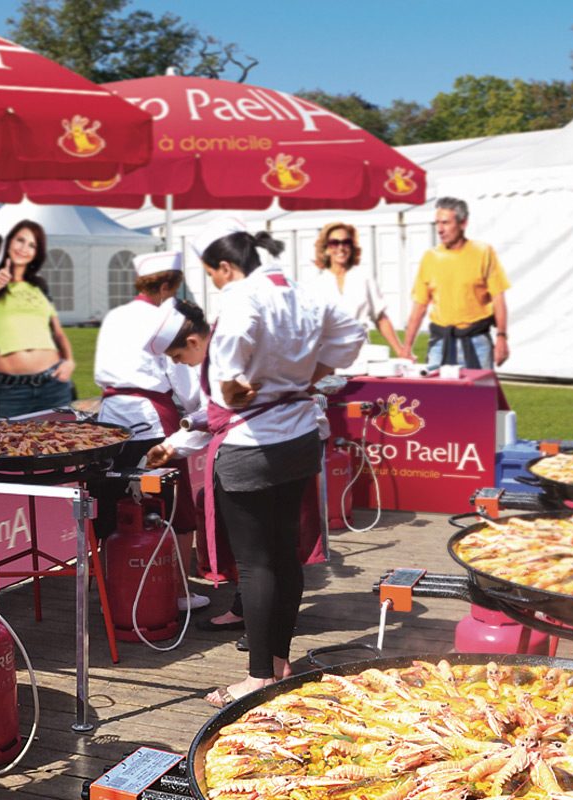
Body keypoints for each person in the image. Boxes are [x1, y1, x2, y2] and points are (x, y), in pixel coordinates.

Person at [147, 218, 365, 708]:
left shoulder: (243, 298)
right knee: (284, 557)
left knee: (257, 565)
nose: (217, 285)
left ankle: (259, 676)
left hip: (254, 449)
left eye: (215, 275)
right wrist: (314, 374)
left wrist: (229, 380)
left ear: (226, 266)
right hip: (299, 440)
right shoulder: (301, 290)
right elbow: (352, 331)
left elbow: (231, 389)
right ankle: (279, 663)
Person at [92, 251, 206, 611]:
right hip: (153, 418)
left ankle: (115, 584)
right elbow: (185, 381)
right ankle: (179, 591)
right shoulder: (169, 318)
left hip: (110, 418)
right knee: (174, 507)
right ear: (167, 284)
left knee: (114, 504)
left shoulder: (115, 316)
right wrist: (194, 411)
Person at [0, 220, 77, 417]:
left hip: (53, 383)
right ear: (9, 242)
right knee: (8, 444)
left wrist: (70, 361)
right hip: (10, 389)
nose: (24, 248)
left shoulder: (38, 288)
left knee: (62, 444)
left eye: (32, 245)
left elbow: (57, 332)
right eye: (20, 240)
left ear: (36, 253)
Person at [399, 197, 511, 370]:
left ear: (463, 223)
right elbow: (419, 306)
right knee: (437, 397)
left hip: (477, 341)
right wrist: (406, 347)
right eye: (437, 223)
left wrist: (502, 337)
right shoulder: (430, 258)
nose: (440, 229)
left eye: (445, 223)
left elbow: (498, 298)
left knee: (480, 397)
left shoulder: (483, 252)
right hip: (441, 343)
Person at [306, 222, 404, 354]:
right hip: (327, 356)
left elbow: (380, 318)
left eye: (346, 242)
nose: (341, 248)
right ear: (326, 248)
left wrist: (401, 351)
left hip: (361, 353)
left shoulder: (364, 278)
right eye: (334, 243)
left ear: (352, 247)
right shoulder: (315, 285)